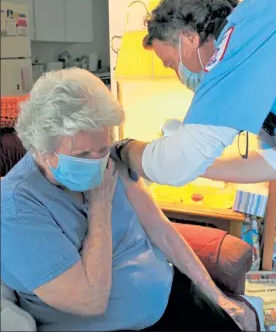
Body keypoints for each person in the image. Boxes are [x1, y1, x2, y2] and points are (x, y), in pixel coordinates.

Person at [1, 68, 258, 332]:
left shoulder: (112, 162)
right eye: (81, 154)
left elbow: (161, 231)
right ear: (42, 150)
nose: (95, 162)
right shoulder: (16, 207)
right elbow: (90, 301)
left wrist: (217, 297)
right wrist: (101, 207)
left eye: (100, 149)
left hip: (172, 298)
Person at [112, 0, 276, 185]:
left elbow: (172, 167)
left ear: (190, 38)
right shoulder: (256, 24)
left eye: (172, 64)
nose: (179, 76)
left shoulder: (244, 39)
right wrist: (197, 164)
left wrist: (123, 149)